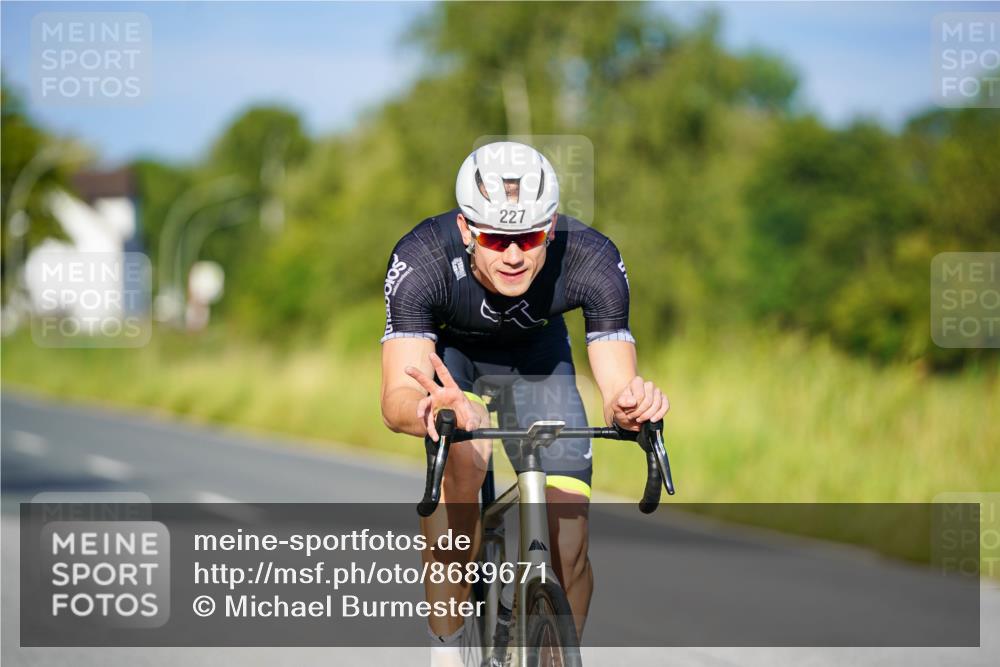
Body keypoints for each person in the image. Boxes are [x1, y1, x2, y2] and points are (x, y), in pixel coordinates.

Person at [379, 141, 669, 666]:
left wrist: (629, 407)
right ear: (467, 230)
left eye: (529, 237)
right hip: (453, 364)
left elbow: (617, 389)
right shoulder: (421, 256)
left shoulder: (592, 256)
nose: (513, 255)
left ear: (551, 227)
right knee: (467, 464)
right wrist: (429, 412)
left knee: (571, 543)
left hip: (538, 360)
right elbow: (396, 395)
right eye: (495, 238)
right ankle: (446, 652)